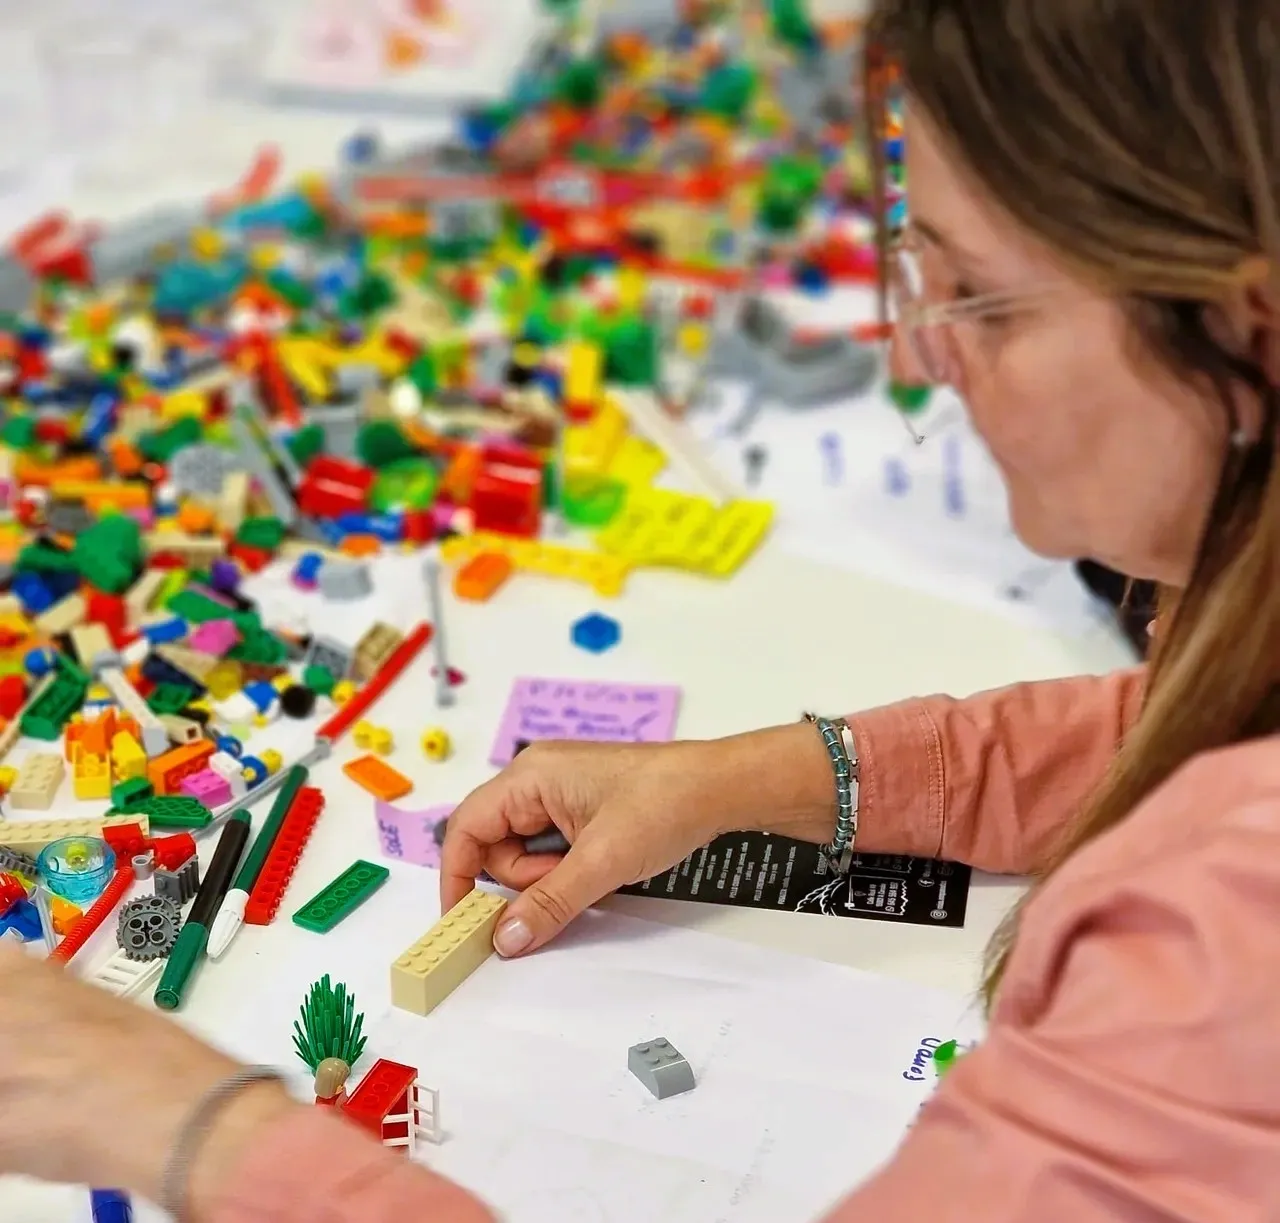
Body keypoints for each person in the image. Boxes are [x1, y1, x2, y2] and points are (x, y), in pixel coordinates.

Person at [3, 1, 1279, 1219]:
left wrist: (187, 1124)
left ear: (1247, 325)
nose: (910, 357)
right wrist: (754, 777)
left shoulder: (1216, 947)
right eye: (914, 275)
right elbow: (1169, 729)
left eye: (978, 299)